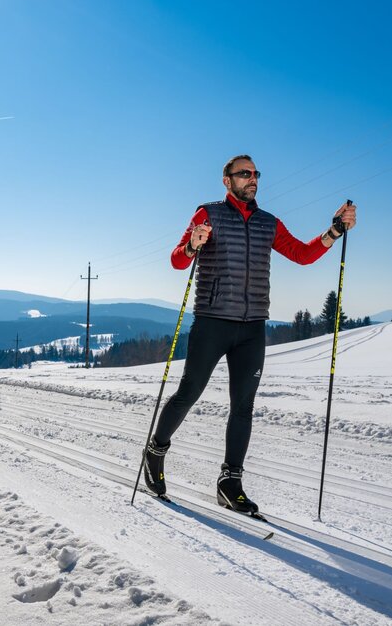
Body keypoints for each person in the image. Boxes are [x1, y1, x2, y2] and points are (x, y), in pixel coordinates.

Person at [143, 154, 357, 514]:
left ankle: (230, 482)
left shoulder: (268, 223)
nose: (253, 178)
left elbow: (302, 254)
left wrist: (333, 231)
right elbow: (178, 260)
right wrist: (194, 244)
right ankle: (155, 451)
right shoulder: (207, 214)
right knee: (188, 393)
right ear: (227, 181)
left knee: (243, 406)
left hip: (253, 327)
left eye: (256, 173)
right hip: (213, 322)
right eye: (244, 174)